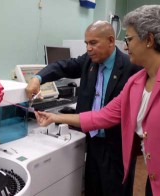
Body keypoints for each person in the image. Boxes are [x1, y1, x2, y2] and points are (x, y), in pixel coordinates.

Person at [34, 5, 160, 196]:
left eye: (129, 39)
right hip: (155, 182)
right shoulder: (136, 83)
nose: (125, 46)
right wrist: (54, 117)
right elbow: (102, 117)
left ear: (148, 39)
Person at [26, 21, 141, 196]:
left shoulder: (131, 66)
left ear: (111, 40)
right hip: (92, 141)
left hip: (117, 146)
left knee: (116, 191)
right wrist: (38, 78)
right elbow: (61, 66)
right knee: (92, 188)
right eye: (86, 43)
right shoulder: (88, 61)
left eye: (93, 43)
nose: (88, 48)